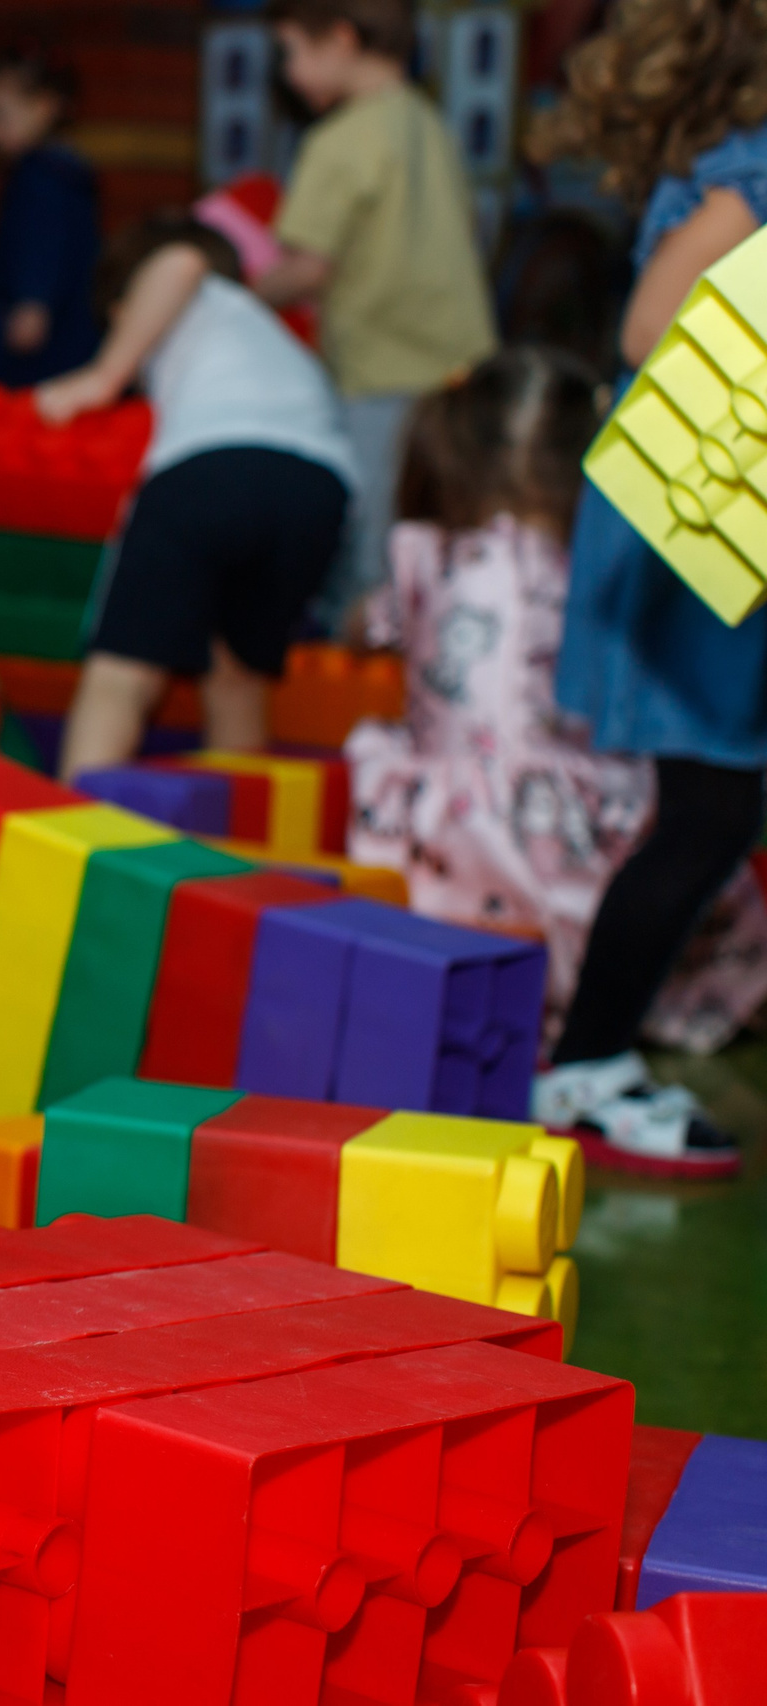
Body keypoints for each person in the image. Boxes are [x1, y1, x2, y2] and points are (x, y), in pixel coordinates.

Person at [345, 351, 767, 1072]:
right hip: (565, 834)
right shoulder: (600, 572)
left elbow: (362, 627)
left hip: (446, 841)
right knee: (685, 861)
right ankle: (626, 1008)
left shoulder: (430, 553)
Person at [517, 0, 767, 1159]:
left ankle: (591, 1057)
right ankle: (585, 1067)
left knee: (712, 807)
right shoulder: (756, 170)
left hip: (708, 518)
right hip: (699, 514)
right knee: (709, 809)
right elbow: (651, 325)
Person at [38, 214, 355, 777]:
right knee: (237, 677)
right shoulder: (258, 330)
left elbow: (181, 260)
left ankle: (73, 833)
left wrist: (103, 375)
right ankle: (239, 851)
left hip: (215, 466)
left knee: (122, 675)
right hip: (318, 488)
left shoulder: (196, 287)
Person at [255, 0, 497, 621]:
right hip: (462, 373)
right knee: (445, 544)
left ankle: (367, 703)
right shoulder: (427, 122)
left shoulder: (339, 139)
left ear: (341, 38)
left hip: (381, 380)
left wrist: (235, 296)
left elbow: (309, 266)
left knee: (374, 561)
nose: (288, 73)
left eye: (293, 52)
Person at [0, 47, 102, 387]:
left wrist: (32, 300)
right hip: (69, 327)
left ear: (44, 107)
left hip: (42, 339)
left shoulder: (39, 176)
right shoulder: (67, 170)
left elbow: (44, 240)